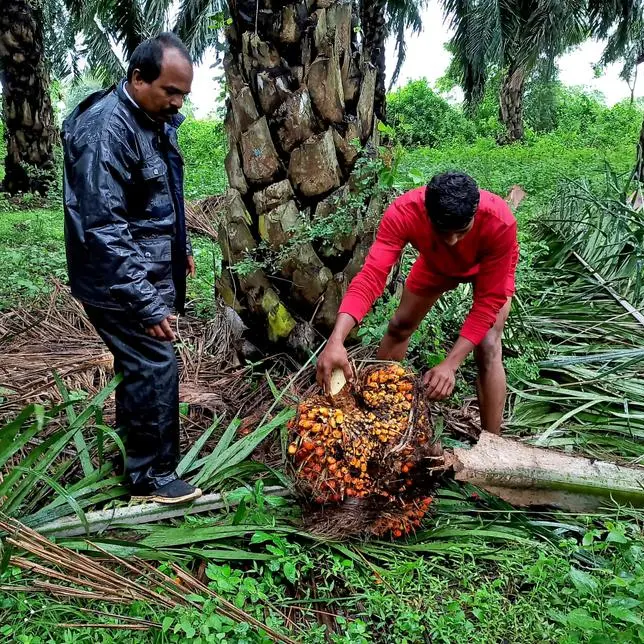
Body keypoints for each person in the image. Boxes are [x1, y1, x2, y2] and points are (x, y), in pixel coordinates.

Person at [62, 33, 201, 503]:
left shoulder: (150, 118)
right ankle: (151, 477)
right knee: (155, 362)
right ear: (138, 79)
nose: (178, 103)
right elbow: (102, 226)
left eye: (184, 93)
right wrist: (145, 303)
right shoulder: (107, 130)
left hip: (139, 267)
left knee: (140, 364)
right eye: (171, 91)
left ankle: (133, 457)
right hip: (116, 280)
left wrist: (176, 246)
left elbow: (150, 201)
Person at [317, 172, 519, 435]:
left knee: (489, 343)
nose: (452, 241)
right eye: (443, 231)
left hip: (488, 268)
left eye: (462, 232)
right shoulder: (404, 212)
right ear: (426, 211)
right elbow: (371, 277)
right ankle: (382, 418)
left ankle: (493, 446)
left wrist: (450, 365)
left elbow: (488, 303)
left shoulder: (499, 222)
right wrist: (336, 339)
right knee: (400, 326)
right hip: (436, 264)